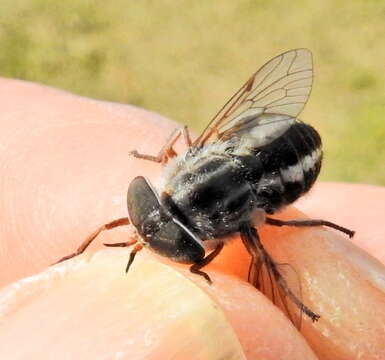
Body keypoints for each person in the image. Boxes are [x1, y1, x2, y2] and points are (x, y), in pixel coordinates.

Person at [0, 78, 384, 359]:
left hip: (292, 165)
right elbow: (184, 141)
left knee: (270, 236)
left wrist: (290, 297)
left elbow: (266, 249)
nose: (142, 233)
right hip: (258, 141)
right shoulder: (188, 167)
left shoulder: (239, 221)